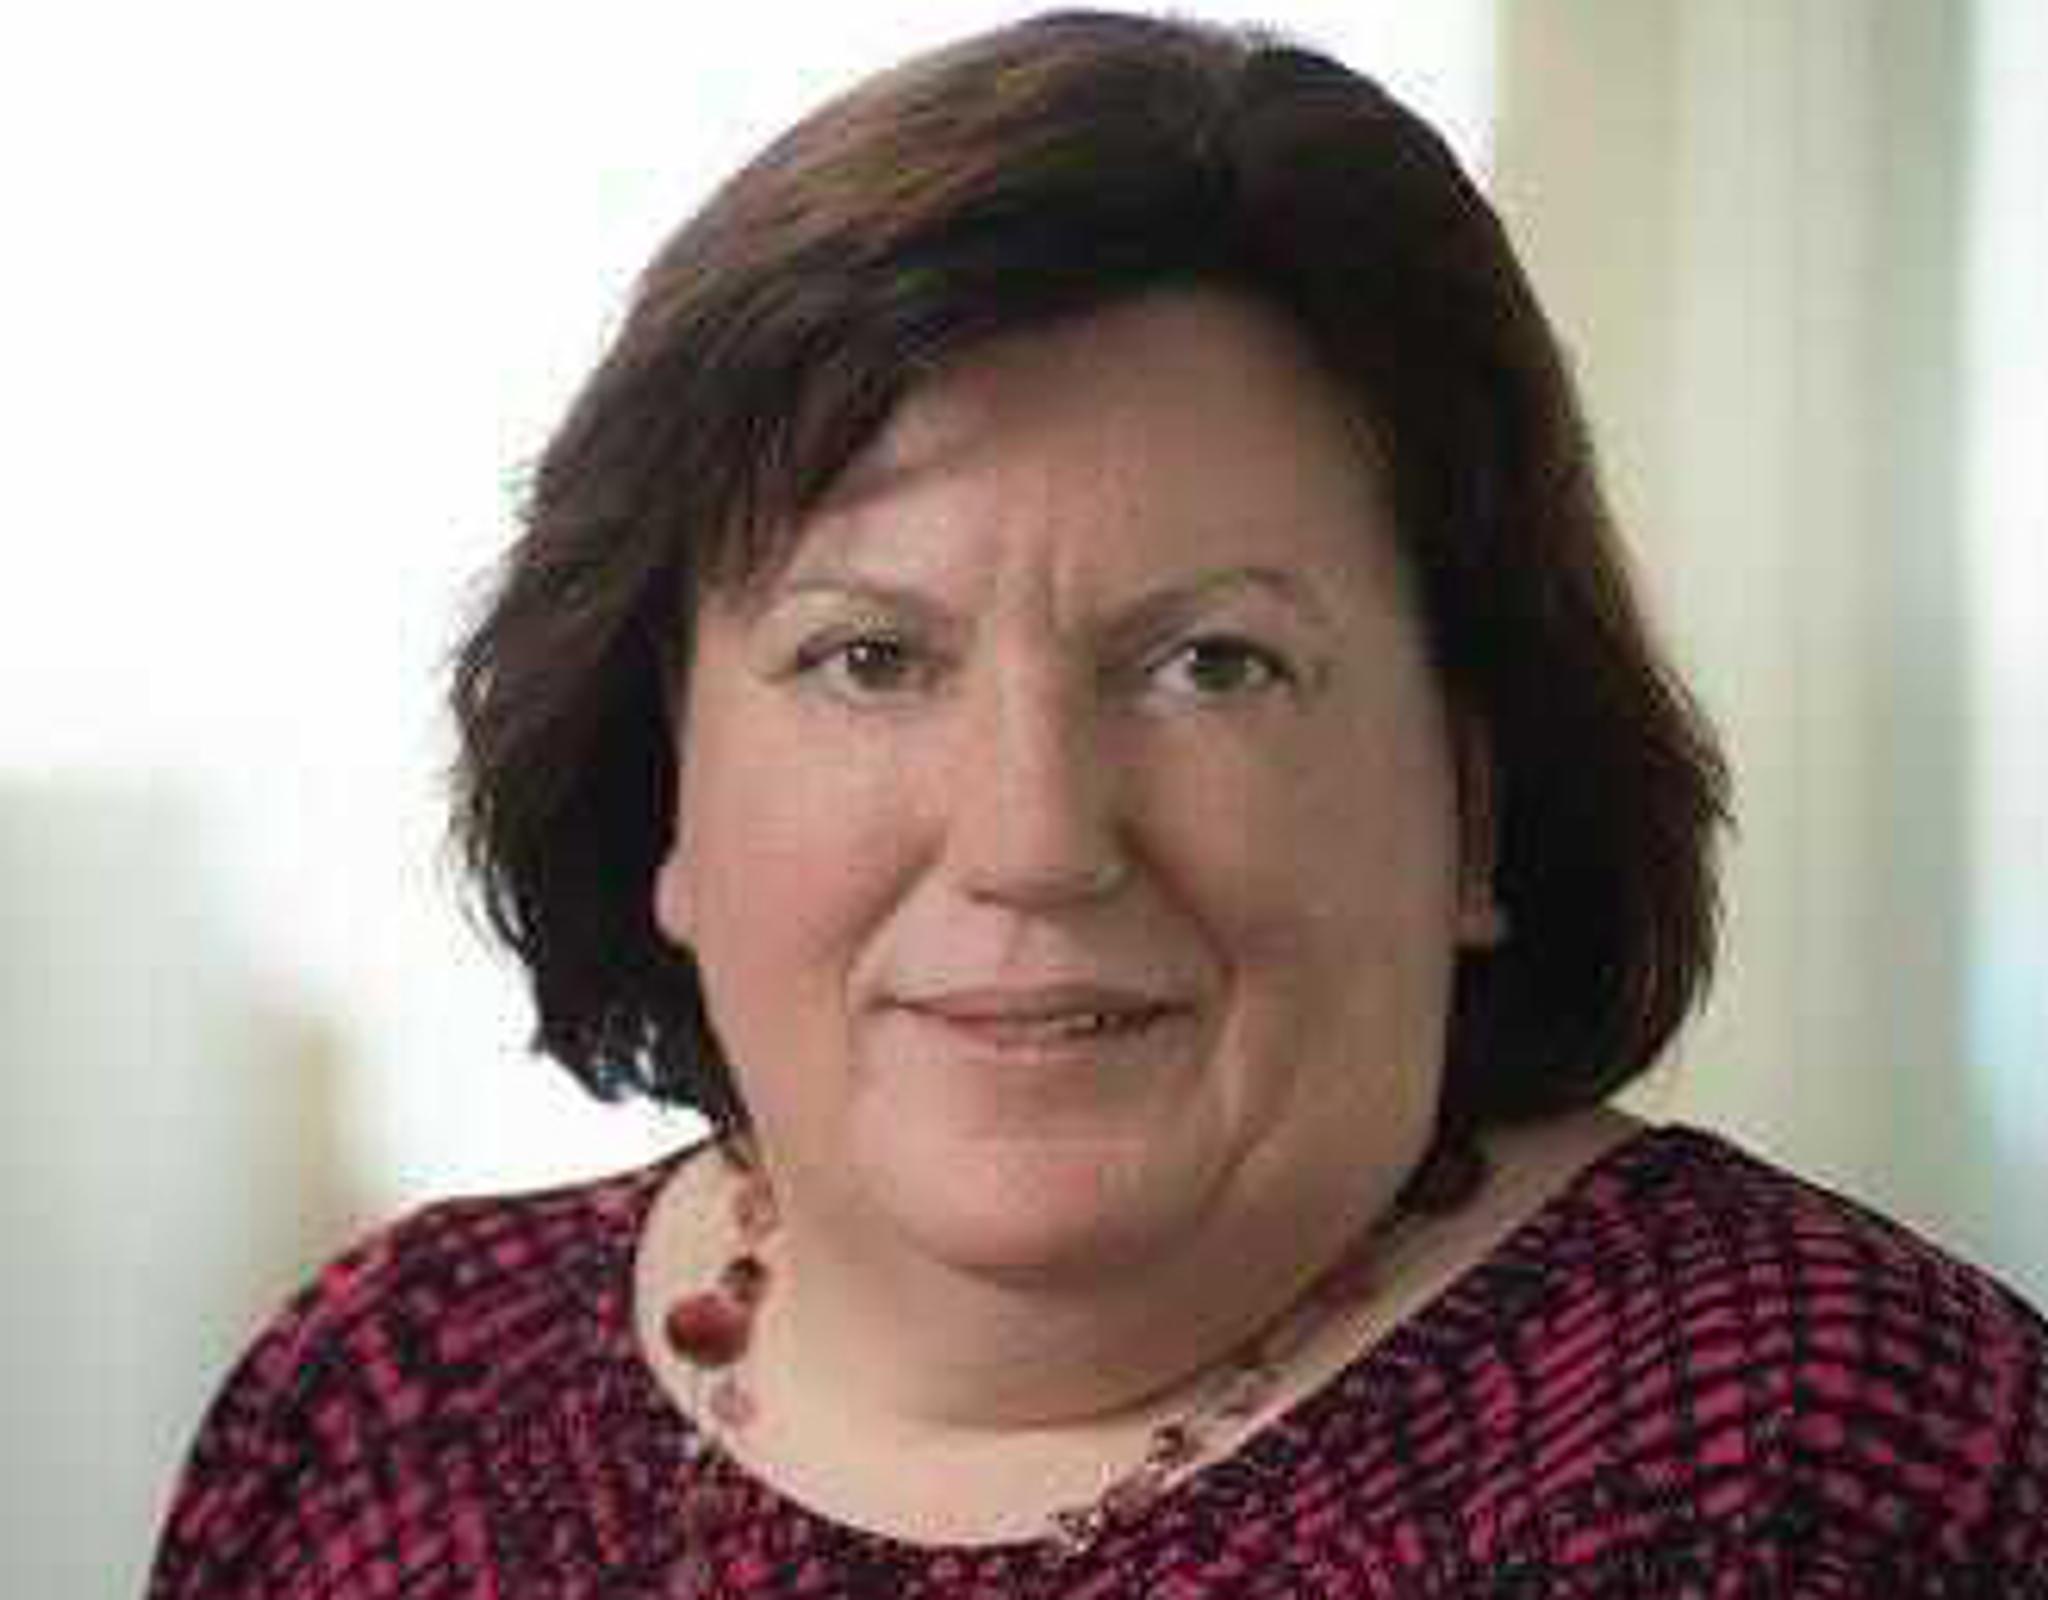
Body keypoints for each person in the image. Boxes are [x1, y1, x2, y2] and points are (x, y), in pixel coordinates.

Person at [148, 10, 2048, 1595]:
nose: (1035, 838)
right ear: (667, 784)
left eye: (1213, 663)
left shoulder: (1814, 1454)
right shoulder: (386, 1402)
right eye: (869, 658)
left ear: (1476, 794)